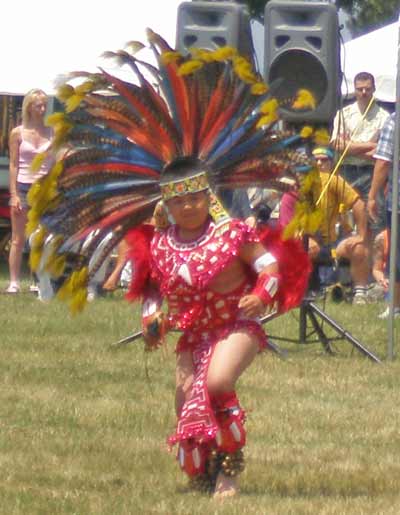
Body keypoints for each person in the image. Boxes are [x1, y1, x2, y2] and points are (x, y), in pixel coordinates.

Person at [26, 33, 315, 498]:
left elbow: (269, 265)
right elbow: (155, 289)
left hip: (236, 323)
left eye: (197, 199)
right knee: (185, 399)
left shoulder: (231, 233)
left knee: (218, 382)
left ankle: (230, 471)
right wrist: (151, 318)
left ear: (207, 195)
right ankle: (201, 473)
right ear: (167, 203)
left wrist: (261, 294)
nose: (189, 209)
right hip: (194, 332)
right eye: (180, 203)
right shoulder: (160, 245)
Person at [280, 147, 370, 304]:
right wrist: (304, 238)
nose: (320, 163)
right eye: (316, 160)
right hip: (304, 244)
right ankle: (305, 289)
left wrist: (361, 235)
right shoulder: (292, 190)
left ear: (331, 163)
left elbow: (359, 204)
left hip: (333, 241)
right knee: (304, 247)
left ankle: (360, 293)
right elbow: (286, 229)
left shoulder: (334, 181)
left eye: (324, 160)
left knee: (358, 246)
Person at [330, 71, 389, 237]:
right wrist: (370, 145)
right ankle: (342, 259)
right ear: (354, 90)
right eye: (359, 89)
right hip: (345, 170)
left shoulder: (384, 117)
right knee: (343, 219)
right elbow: (337, 145)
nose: (363, 93)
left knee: (375, 218)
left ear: (374, 90)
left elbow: (380, 152)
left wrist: (350, 146)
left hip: (371, 174)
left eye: (367, 89)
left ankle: (373, 260)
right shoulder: (344, 114)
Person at [6, 89, 53, 293]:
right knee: (18, 238)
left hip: (44, 188)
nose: (42, 109)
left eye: (44, 105)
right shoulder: (17, 132)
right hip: (24, 186)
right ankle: (14, 281)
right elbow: (13, 164)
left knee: (41, 236)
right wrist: (14, 194)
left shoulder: (52, 131)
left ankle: (37, 280)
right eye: (38, 106)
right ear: (29, 107)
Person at [368, 113, 400, 318]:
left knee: (396, 253)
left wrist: (371, 196)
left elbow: (383, 161)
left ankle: (396, 306)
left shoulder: (395, 120)